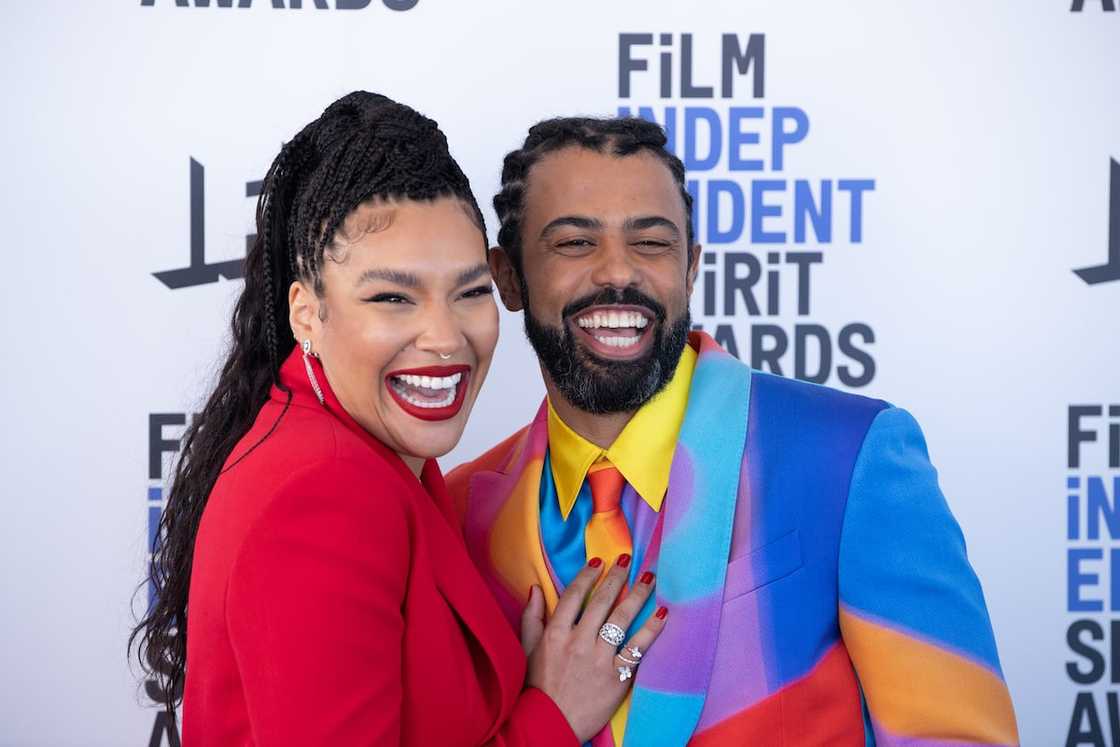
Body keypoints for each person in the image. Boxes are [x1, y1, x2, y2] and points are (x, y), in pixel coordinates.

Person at [446, 117, 1020, 747]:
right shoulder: (456, 511)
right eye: (575, 244)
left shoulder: (850, 455)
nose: (618, 273)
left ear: (690, 267)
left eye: (651, 243)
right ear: (506, 277)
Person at [130, 92, 667, 746]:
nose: (444, 337)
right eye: (392, 297)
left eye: (470, 292)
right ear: (307, 312)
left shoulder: (374, 454)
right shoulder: (323, 493)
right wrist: (550, 717)